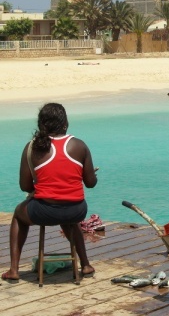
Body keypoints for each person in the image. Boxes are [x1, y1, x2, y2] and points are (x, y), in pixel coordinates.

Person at [1, 103, 98, 282]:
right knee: (70, 217)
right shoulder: (79, 145)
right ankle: (85, 264)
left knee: (18, 214)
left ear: (41, 125)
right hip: (76, 210)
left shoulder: (31, 148)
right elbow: (90, 183)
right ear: (65, 123)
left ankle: (13, 269)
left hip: (43, 211)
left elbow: (25, 186)